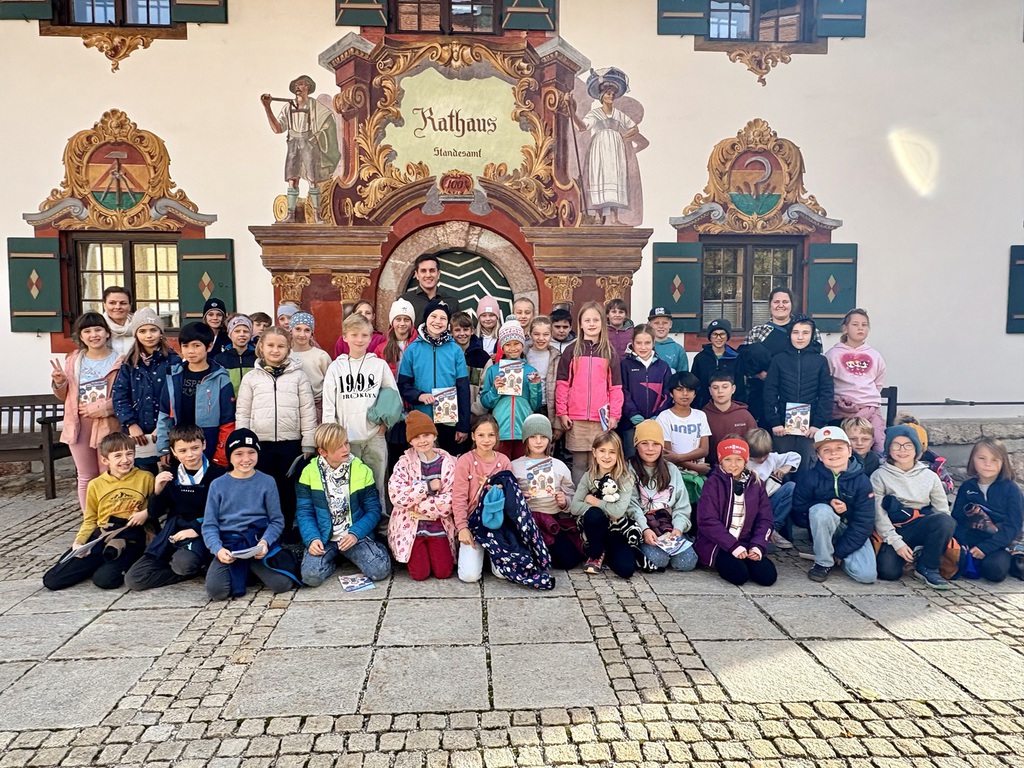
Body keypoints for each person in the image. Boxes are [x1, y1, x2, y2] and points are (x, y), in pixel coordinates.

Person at [42, 432, 153, 590]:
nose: (125, 460)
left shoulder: (146, 478)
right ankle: (97, 562)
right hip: (102, 534)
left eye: (129, 454)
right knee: (53, 580)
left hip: (130, 535)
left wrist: (146, 512)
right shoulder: (95, 484)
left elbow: (157, 507)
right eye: (118, 456)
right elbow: (90, 519)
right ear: (105, 460)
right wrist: (79, 542)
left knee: (105, 580)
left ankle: (118, 563)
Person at [124, 425, 226, 591]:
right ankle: (188, 570)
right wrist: (157, 490)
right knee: (134, 579)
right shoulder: (171, 475)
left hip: (202, 532)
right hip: (172, 533)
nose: (190, 455)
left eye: (195, 448)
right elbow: (154, 513)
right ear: (174, 451)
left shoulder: (219, 476)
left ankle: (191, 564)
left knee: (184, 563)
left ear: (204, 445)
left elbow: (225, 513)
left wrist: (196, 529)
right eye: (183, 450)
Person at [236, 325, 317, 535]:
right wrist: (243, 442)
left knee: (286, 488)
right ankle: (263, 530)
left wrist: (309, 442)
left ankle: (287, 528)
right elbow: (243, 412)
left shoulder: (299, 377)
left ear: (288, 348)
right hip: (260, 444)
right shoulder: (251, 378)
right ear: (261, 347)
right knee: (261, 487)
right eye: (270, 345)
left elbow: (307, 410)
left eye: (280, 346)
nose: (275, 350)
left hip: (290, 443)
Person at [203, 429, 297, 599]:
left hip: (257, 541)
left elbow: (276, 520)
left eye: (251, 452)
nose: (246, 459)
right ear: (230, 456)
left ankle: (252, 566)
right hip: (229, 544)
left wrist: (265, 542)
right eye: (239, 454)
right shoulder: (217, 485)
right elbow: (209, 525)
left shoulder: (267, 481)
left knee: (282, 584)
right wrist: (218, 549)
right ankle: (244, 568)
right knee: (217, 592)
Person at [322, 311, 402, 508]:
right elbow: (328, 404)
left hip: (374, 436)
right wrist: (332, 437)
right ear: (345, 337)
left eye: (364, 335)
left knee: (377, 482)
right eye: (355, 334)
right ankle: (353, 521)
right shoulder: (336, 368)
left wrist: (385, 424)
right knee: (349, 485)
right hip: (345, 439)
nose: (359, 339)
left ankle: (379, 520)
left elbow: (393, 396)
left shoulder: (379, 365)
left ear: (370, 337)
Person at [296, 423, 392, 586]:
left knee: (379, 570)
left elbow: (374, 510)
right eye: (338, 446)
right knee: (310, 576)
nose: (345, 449)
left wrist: (355, 533)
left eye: (346, 443)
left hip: (355, 536)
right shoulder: (308, 473)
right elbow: (305, 511)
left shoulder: (362, 470)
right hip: (325, 538)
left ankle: (373, 548)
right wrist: (312, 539)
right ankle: (335, 559)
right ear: (323, 452)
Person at [51, 312, 123, 512]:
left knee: (108, 472)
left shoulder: (120, 361)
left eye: (98, 329)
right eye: (87, 331)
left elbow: (125, 396)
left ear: (107, 333)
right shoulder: (73, 360)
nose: (93, 335)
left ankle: (111, 517)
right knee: (85, 475)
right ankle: (89, 519)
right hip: (79, 424)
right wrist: (59, 382)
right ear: (81, 336)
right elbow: (64, 396)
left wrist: (103, 408)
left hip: (108, 423)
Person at [872, 425, 956, 589]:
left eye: (908, 445)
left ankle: (927, 566)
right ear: (889, 449)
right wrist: (897, 543)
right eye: (896, 445)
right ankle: (909, 555)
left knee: (945, 521)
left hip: (921, 524)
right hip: (897, 527)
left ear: (917, 449)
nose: (902, 450)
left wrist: (942, 535)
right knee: (888, 572)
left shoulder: (930, 476)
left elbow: (942, 510)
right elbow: (879, 515)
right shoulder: (879, 476)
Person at [792, 427, 877, 584]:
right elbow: (798, 511)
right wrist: (826, 504)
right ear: (819, 456)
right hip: (825, 527)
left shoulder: (862, 481)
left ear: (849, 451)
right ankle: (823, 562)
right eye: (826, 450)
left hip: (851, 530)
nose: (833, 453)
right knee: (820, 512)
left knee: (867, 575)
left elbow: (865, 521)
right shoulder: (810, 478)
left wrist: (841, 551)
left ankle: (835, 554)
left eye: (839, 448)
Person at [555, 301, 623, 485]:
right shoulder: (571, 350)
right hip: (576, 418)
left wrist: (614, 415)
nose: (591, 324)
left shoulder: (609, 352)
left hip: (600, 419)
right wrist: (562, 413)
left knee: (599, 462)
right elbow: (562, 384)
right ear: (580, 324)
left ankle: (598, 497)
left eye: (596, 320)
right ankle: (579, 499)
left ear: (603, 323)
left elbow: (615, 388)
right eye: (587, 320)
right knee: (579, 463)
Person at [694, 438, 777, 586]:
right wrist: (733, 546)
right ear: (721, 461)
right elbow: (707, 520)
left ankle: (748, 557)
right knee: (739, 576)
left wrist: (758, 545)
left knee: (767, 576)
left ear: (745, 461)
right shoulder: (712, 483)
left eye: (738, 459)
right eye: (728, 459)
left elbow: (765, 519)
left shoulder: (756, 484)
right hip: (719, 545)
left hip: (746, 542)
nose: (733, 465)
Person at [387, 410, 458, 581]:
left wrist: (418, 506)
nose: (422, 441)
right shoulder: (404, 463)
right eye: (417, 437)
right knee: (420, 574)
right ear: (410, 441)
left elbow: (450, 499)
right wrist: (426, 487)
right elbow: (396, 495)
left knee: (443, 572)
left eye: (426, 435)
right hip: (412, 527)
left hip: (438, 525)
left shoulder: (448, 463)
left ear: (434, 435)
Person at [260, 74, 340, 223]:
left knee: (313, 180)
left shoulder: (314, 106)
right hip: (293, 144)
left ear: (308, 87)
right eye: (296, 85)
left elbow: (328, 121)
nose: (298, 87)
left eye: (301, 84)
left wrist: (316, 137)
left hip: (309, 144)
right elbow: (278, 129)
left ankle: (317, 215)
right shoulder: (288, 107)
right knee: (292, 179)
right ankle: (291, 215)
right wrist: (267, 107)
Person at [397, 297, 471, 454]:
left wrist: (463, 425)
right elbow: (403, 385)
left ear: (448, 323)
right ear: (426, 319)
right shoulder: (413, 350)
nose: (438, 321)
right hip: (422, 418)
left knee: (448, 461)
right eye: (434, 316)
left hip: (449, 420)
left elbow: (463, 389)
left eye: (443, 318)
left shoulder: (455, 350)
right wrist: (419, 396)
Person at [156, 322, 236, 467]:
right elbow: (164, 414)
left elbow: (228, 421)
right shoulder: (174, 376)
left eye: (196, 345)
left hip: (210, 447)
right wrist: (164, 447)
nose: (190, 351)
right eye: (186, 346)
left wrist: (221, 454)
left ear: (209, 346)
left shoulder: (220, 378)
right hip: (179, 449)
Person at [763, 315, 833, 476]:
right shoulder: (779, 360)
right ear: (790, 334)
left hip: (810, 428)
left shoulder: (820, 361)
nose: (800, 337)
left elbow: (826, 394)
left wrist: (818, 424)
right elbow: (770, 392)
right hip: (783, 428)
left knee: (807, 467)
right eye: (796, 332)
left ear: (812, 335)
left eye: (805, 333)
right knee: (782, 468)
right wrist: (775, 422)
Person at [510, 414, 583, 570]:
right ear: (525, 439)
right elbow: (508, 498)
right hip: (525, 522)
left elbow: (571, 496)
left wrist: (564, 502)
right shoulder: (514, 466)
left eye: (543, 437)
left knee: (568, 560)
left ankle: (544, 554)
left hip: (552, 521)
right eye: (533, 437)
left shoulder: (559, 466)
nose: (538, 441)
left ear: (549, 439)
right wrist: (519, 497)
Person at [112, 307, 179, 473]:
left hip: (167, 429)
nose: (148, 335)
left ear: (160, 332)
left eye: (153, 330)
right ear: (136, 334)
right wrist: (131, 424)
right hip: (138, 432)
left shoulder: (173, 361)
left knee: (169, 473)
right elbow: (119, 396)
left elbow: (176, 396)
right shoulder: (128, 363)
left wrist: (162, 427)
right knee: (144, 476)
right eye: (142, 331)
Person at [741, 287, 822, 425]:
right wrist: (758, 374)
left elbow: (817, 363)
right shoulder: (757, 332)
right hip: (763, 396)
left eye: (785, 301)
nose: (780, 305)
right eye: (776, 302)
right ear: (770, 305)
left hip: (798, 397)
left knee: (793, 435)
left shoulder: (807, 331)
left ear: (792, 304)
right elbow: (745, 365)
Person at [570, 430, 643, 577]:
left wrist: (594, 500)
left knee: (626, 570)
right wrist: (605, 509)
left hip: (616, 530)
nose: (607, 456)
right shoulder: (589, 476)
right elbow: (575, 507)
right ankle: (595, 553)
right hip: (594, 529)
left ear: (619, 454)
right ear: (594, 452)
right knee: (594, 514)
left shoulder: (626, 479)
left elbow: (618, 512)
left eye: (612, 452)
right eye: (602, 451)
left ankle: (607, 552)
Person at [629, 420, 698, 572]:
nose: (650, 449)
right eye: (644, 443)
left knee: (687, 563)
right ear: (636, 445)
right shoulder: (630, 469)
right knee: (658, 560)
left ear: (662, 446)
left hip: (668, 527)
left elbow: (681, 504)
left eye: (655, 444)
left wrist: (678, 528)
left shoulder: (671, 470)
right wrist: (644, 529)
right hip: (645, 526)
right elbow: (631, 505)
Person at [952, 437, 1023, 583]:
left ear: (1003, 462)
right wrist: (963, 545)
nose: (988, 464)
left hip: (999, 543)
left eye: (994, 460)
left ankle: (1013, 559)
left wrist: (985, 548)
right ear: (973, 459)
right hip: (970, 541)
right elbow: (958, 518)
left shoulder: (1011, 489)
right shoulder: (967, 487)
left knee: (994, 571)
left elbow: (1013, 525)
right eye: (982, 458)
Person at [570, 73, 639, 225]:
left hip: (615, 149)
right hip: (600, 148)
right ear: (602, 96)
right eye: (608, 93)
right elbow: (582, 127)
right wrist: (572, 113)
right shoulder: (595, 114)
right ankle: (597, 217)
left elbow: (634, 128)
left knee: (615, 178)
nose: (611, 96)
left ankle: (614, 218)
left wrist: (622, 136)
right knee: (599, 177)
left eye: (613, 93)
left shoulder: (618, 114)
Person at [453, 415, 513, 583]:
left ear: (497, 436)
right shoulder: (465, 461)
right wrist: (462, 527)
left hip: (497, 522)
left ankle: (492, 555)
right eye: (481, 435)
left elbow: (510, 496)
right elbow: (459, 497)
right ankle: (477, 553)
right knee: (469, 576)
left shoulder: (504, 461)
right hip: (474, 522)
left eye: (491, 435)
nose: (486, 440)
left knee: (504, 573)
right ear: (473, 436)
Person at [480, 320, 543, 459]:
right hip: (500, 430)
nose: (512, 348)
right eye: (508, 344)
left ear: (522, 344)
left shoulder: (530, 371)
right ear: (502, 346)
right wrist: (495, 390)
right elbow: (485, 402)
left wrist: (535, 386)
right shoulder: (493, 370)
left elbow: (535, 405)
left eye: (516, 344)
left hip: (524, 430)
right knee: (501, 465)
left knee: (522, 465)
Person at [826, 309, 887, 451]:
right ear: (845, 328)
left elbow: (878, 382)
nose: (860, 328)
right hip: (841, 410)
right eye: (855, 324)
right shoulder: (832, 354)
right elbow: (826, 383)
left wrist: (866, 401)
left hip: (869, 409)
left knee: (879, 442)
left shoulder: (875, 355)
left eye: (864, 325)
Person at [619, 323, 671, 458]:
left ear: (653, 343)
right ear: (632, 343)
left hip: (656, 423)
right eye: (639, 343)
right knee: (631, 458)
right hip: (630, 424)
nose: (643, 347)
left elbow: (668, 394)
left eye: (647, 343)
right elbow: (623, 391)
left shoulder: (663, 367)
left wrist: (657, 416)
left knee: (652, 457)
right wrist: (633, 415)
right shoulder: (625, 365)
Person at [745, 427, 800, 550]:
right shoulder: (743, 461)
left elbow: (795, 456)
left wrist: (786, 467)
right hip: (749, 503)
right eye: (756, 457)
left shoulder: (772, 458)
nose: (761, 460)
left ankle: (771, 529)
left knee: (791, 487)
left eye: (764, 456)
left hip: (769, 499)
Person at [656, 372, 711, 477]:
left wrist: (678, 458)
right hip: (672, 474)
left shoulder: (700, 415)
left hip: (696, 476)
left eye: (689, 390)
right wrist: (695, 467)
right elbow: (667, 455)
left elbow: (704, 450)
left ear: (695, 394)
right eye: (679, 389)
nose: (685, 394)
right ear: (671, 393)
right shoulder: (664, 417)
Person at [702, 372, 756, 467]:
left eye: (725, 387)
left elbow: (754, 445)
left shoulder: (745, 415)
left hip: (740, 468)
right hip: (711, 469)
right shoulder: (702, 416)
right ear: (710, 390)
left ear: (733, 389)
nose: (720, 391)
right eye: (715, 388)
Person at [289, 311, 331, 418]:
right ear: (291, 330)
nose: (302, 334)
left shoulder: (321, 356)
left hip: (317, 407)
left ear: (312, 333)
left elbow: (330, 384)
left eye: (307, 330)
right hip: (292, 407)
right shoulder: (286, 355)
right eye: (298, 329)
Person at [401, 253, 462, 326]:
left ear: (438, 274)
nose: (428, 275)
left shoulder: (451, 303)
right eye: (423, 271)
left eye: (432, 270)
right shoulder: (405, 300)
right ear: (416, 275)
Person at [691, 319, 740, 409]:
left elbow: (740, 384)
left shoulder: (736, 357)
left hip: (730, 406)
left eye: (722, 334)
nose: (718, 338)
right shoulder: (700, 358)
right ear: (710, 337)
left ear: (727, 336)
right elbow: (695, 384)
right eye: (715, 334)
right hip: (705, 406)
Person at [451, 311, 491, 417]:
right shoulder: (446, 355)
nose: (462, 334)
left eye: (466, 329)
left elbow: (485, 388)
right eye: (457, 330)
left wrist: (475, 411)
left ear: (472, 330)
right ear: (451, 332)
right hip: (450, 413)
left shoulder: (482, 358)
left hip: (474, 416)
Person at [526, 316, 562, 427]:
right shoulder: (523, 355)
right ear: (530, 334)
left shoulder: (557, 357)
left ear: (551, 335)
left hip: (548, 408)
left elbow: (561, 389)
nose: (541, 338)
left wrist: (557, 424)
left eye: (546, 334)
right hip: (527, 406)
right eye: (536, 334)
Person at [215, 315, 257, 396]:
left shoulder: (257, 358)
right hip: (229, 401)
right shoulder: (219, 359)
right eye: (237, 331)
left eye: (246, 331)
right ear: (229, 334)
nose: (242, 334)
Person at [647, 307, 688, 373]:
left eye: (665, 323)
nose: (661, 326)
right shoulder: (643, 347)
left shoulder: (678, 350)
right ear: (649, 325)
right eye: (656, 323)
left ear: (670, 324)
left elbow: (684, 376)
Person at [100, 286, 134, 357]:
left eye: (123, 303)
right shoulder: (97, 326)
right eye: (112, 303)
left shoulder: (139, 325)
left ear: (130, 306)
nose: (118, 307)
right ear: (104, 305)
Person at [605, 298, 634, 363]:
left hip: (628, 367)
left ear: (625, 315)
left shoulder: (633, 332)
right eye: (613, 312)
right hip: (608, 366)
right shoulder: (602, 332)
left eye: (621, 312)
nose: (617, 315)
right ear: (607, 314)